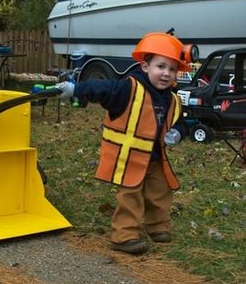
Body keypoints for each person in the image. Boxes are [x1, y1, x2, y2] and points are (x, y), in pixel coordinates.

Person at [55, 32, 194, 255]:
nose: (167, 74)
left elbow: (182, 121)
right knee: (130, 195)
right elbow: (101, 89)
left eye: (172, 69)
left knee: (160, 192)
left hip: (156, 158)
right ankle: (125, 236)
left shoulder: (172, 98)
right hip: (130, 157)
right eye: (161, 66)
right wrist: (75, 90)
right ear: (145, 66)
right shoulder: (127, 89)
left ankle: (158, 227)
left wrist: (178, 132)